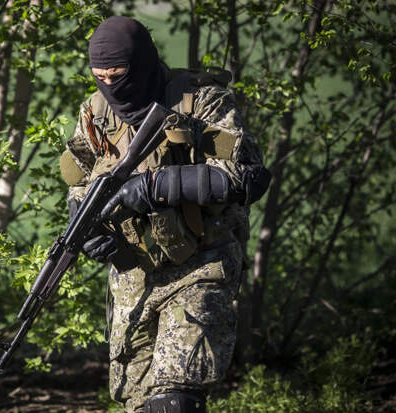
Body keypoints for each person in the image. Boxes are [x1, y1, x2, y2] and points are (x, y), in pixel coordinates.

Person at [59, 16, 270, 413]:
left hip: (200, 265)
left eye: (118, 73)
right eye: (99, 75)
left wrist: (153, 187)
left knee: (174, 400)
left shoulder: (199, 100)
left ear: (140, 63)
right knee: (137, 402)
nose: (110, 83)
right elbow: (80, 182)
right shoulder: (95, 113)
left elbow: (247, 176)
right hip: (133, 278)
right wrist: (85, 225)